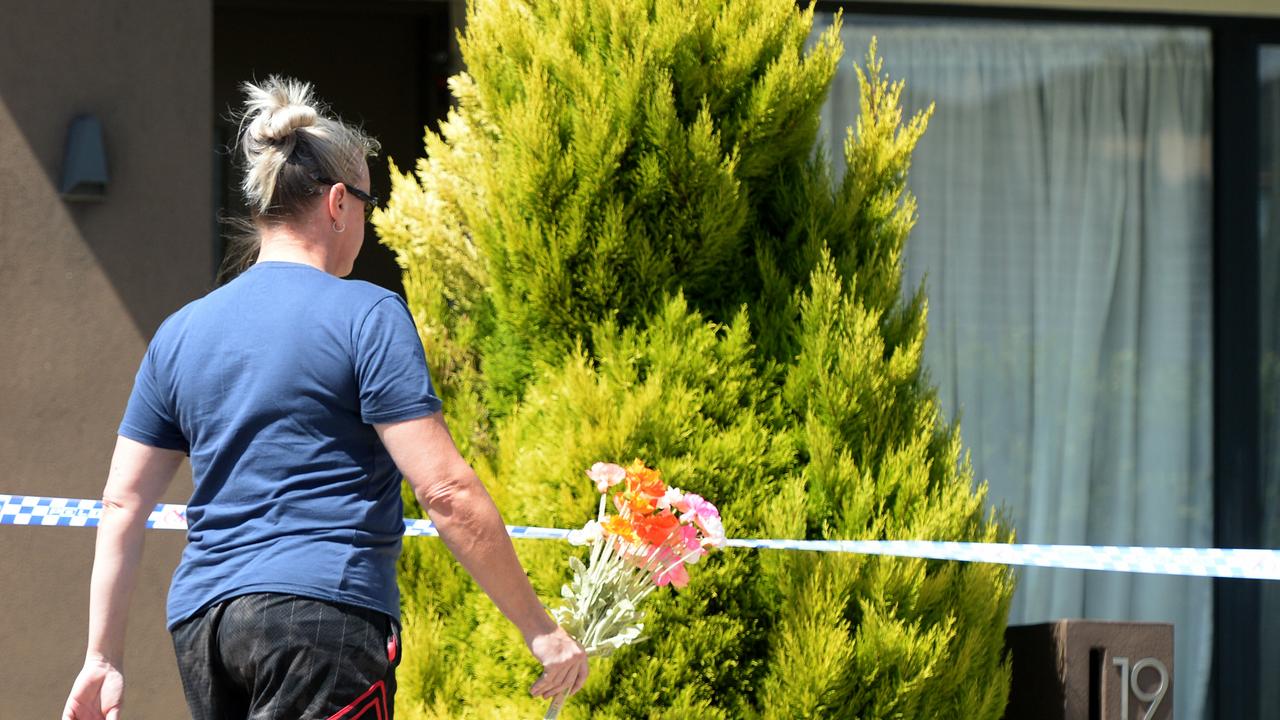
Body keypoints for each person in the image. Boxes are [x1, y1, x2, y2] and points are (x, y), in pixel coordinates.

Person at [61, 76, 587, 720]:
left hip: (205, 628)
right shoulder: (367, 314)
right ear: (339, 202)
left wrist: (102, 658)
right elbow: (446, 492)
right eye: (367, 202)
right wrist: (542, 630)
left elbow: (121, 503)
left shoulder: (181, 332)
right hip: (322, 619)